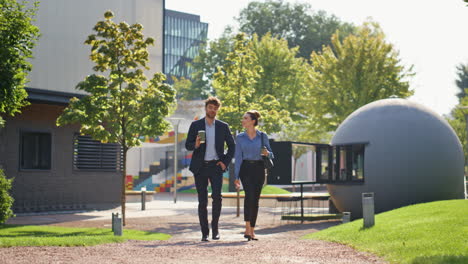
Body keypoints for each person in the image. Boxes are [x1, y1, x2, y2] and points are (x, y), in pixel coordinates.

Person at [185, 97, 235, 242]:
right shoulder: (196, 125)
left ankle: (215, 230)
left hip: (216, 166)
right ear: (206, 108)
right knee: (202, 201)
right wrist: (195, 144)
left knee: (217, 199)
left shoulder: (223, 126)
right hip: (200, 167)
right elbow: (188, 145)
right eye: (210, 107)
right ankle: (204, 233)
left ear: (217, 110)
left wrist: (224, 162)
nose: (212, 110)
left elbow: (232, 146)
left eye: (215, 108)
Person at [234, 110, 273, 241]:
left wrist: (267, 153)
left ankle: (252, 230)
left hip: (259, 168)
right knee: (249, 196)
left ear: (253, 121)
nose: (242, 120)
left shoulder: (262, 136)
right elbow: (238, 157)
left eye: (245, 118)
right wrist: (236, 176)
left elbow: (271, 154)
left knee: (255, 199)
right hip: (246, 168)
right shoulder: (240, 137)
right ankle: (247, 228)